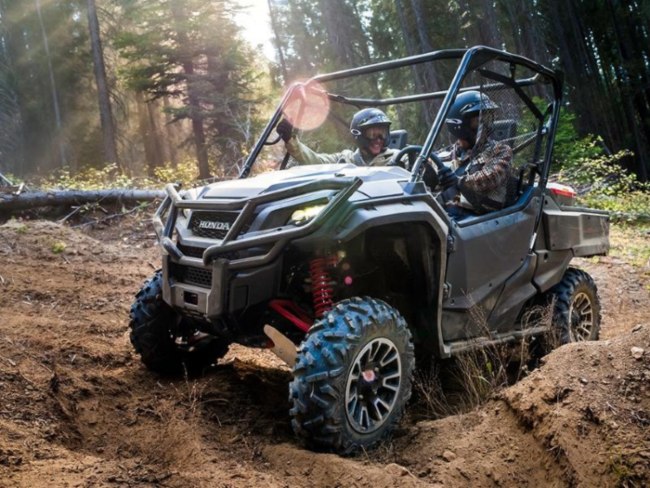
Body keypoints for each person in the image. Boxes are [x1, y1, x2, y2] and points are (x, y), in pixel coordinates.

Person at [435, 90, 513, 220]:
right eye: (479, 120)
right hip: (448, 218)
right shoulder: (445, 155)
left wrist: (460, 181)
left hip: (485, 220)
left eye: (488, 118)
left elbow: (490, 177)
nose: (487, 125)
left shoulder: (500, 150)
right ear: (459, 124)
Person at [276, 108, 397, 166]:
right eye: (373, 134)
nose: (378, 140)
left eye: (382, 134)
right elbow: (316, 160)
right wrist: (290, 140)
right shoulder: (345, 159)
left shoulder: (400, 157)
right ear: (358, 134)